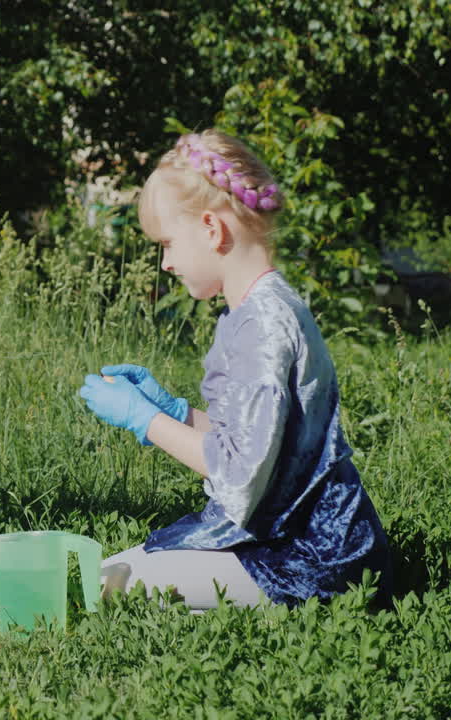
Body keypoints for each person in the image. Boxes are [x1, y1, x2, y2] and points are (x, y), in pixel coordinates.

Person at [77, 130, 391, 609]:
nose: (166, 263)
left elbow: (239, 477)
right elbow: (260, 445)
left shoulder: (262, 326)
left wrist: (145, 420)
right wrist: (176, 411)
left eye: (167, 244)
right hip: (301, 538)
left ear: (210, 229)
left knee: (108, 587)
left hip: (312, 557)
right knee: (116, 569)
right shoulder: (258, 309)